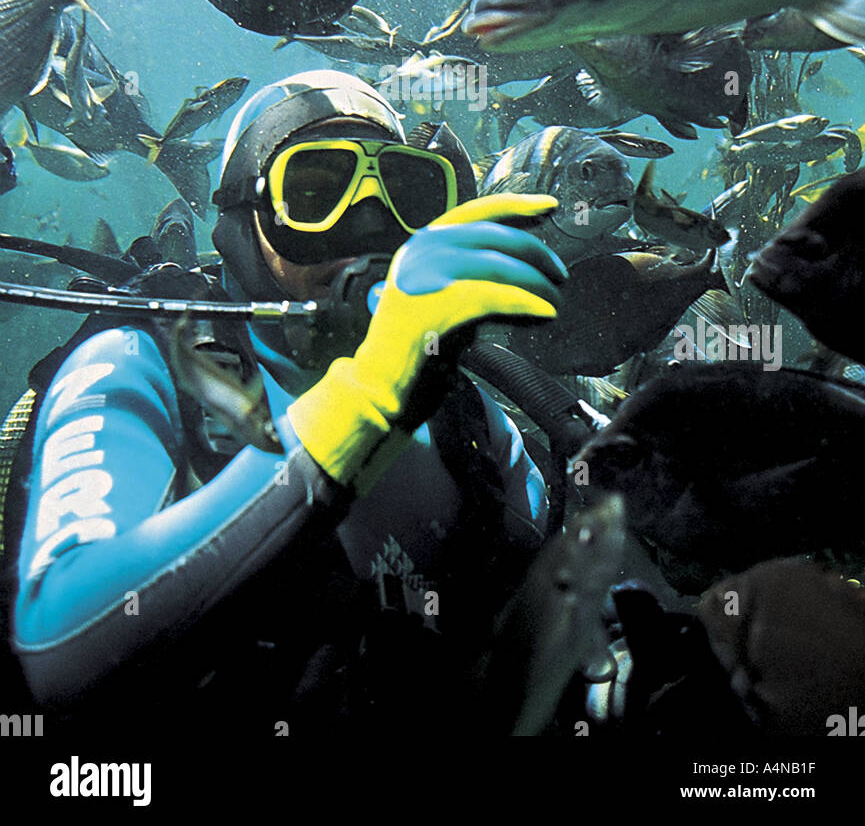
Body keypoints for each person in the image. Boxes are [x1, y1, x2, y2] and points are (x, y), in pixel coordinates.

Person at [11, 71, 566, 739]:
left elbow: (545, 640)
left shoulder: (465, 420)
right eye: (312, 192)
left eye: (406, 192)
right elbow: (62, 647)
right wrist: (362, 403)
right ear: (242, 224)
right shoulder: (137, 364)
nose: (367, 224)